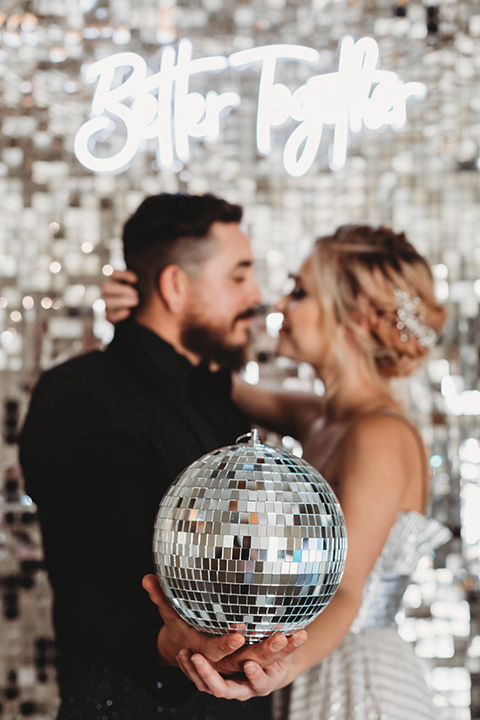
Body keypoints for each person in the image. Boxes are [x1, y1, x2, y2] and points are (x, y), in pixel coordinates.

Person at [105, 223, 452, 719]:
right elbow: (211, 379)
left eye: (301, 291)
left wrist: (282, 669)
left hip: (354, 680)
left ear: (355, 316)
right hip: (301, 665)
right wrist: (144, 321)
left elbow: (347, 586)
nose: (280, 305)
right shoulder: (317, 416)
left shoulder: (380, 433)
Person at [18, 192, 304, 720]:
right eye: (239, 276)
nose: (257, 295)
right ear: (175, 286)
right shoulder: (81, 392)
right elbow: (92, 572)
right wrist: (168, 644)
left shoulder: (216, 397)